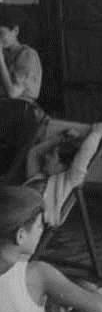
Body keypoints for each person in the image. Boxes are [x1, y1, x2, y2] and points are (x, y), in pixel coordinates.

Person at [0, 186, 102, 312]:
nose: (43, 230)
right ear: (20, 235)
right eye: (40, 226)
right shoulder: (36, 273)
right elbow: (100, 308)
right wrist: (86, 287)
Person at [23, 123, 102, 227]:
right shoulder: (38, 176)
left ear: (63, 166)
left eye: (51, 155)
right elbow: (34, 152)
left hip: (29, 222)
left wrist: (96, 133)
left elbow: (85, 153)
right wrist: (60, 138)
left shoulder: (69, 179)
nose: (45, 156)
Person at [0, 10, 46, 183]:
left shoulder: (27, 55)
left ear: (16, 31)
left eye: (1, 33)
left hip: (22, 114)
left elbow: (12, 92)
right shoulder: (4, 55)